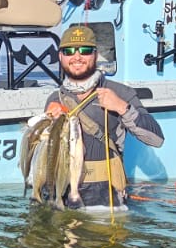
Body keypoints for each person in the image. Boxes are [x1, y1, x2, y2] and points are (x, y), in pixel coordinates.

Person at [40, 22, 164, 210]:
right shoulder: (55, 98)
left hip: (105, 201)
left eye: (85, 50)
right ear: (60, 56)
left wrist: (122, 107)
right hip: (62, 197)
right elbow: (46, 152)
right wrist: (47, 123)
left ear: (96, 55)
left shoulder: (120, 92)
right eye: (69, 51)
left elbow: (156, 139)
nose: (77, 56)